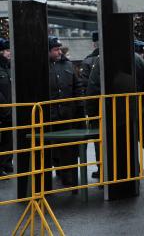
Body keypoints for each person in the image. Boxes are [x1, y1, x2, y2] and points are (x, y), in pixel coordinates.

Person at [48, 36, 84, 186]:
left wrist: (80, 108)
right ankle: (57, 171)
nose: (59, 52)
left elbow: (77, 87)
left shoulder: (68, 66)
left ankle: (68, 175)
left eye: (59, 49)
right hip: (49, 116)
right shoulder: (42, 67)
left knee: (68, 147)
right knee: (52, 147)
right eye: (55, 49)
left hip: (67, 115)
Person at [80, 31, 101, 178]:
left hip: (95, 107)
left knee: (98, 140)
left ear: (94, 43)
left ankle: (101, 168)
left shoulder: (88, 61)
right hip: (116, 108)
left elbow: (86, 85)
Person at [0, 38, 12, 177]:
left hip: (9, 111)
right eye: (8, 50)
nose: (10, 53)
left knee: (8, 140)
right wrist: (5, 109)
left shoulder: (8, 67)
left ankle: (7, 163)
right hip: (3, 111)